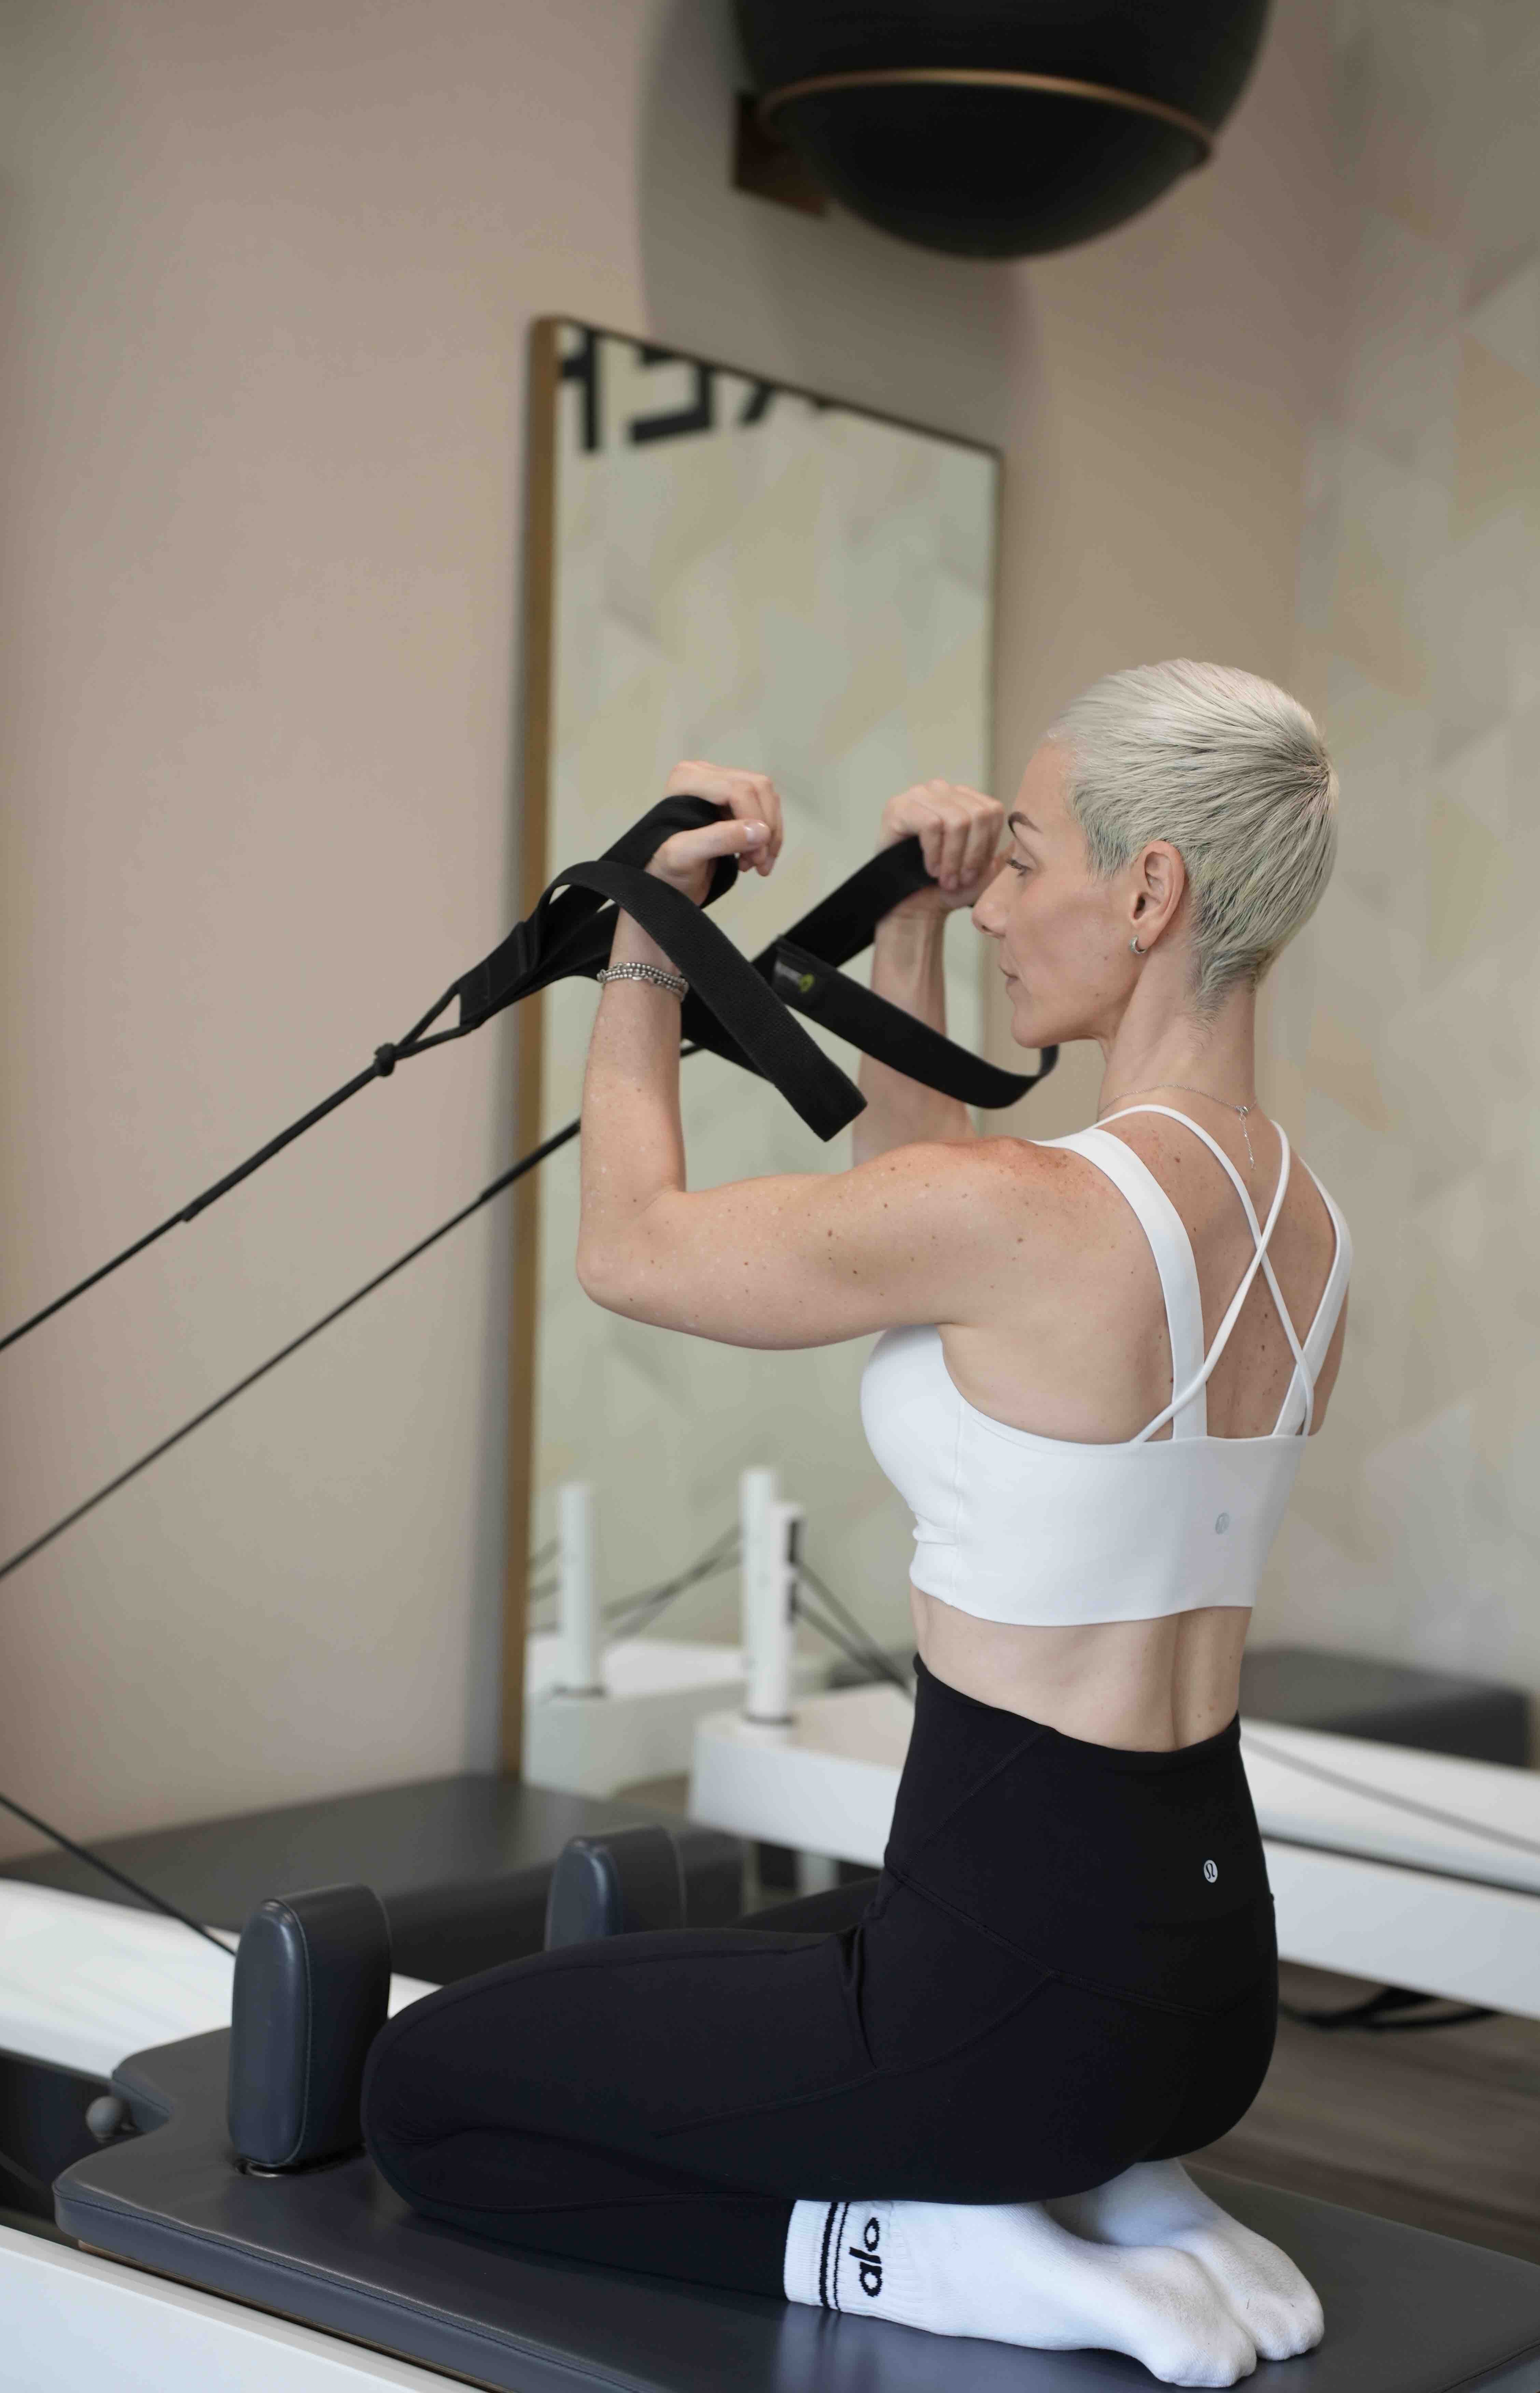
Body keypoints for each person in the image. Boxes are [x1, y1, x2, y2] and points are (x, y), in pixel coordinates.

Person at [363, 660, 1350, 2386]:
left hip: (999, 2010)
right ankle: (1125, 2192)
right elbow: (935, 1230)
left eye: (1027, 861)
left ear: (1150, 891)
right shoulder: (1302, 1223)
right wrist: (907, 932)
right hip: (1202, 2000)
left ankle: (915, 2246)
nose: (1001, 911)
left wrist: (647, 940)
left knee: (428, 2095)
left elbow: (634, 1248)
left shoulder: (1025, 1213)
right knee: (789, 2003)